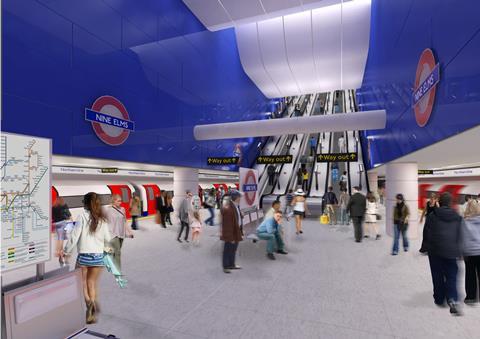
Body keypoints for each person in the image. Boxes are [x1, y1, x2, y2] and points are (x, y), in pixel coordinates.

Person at [63, 192, 112, 324]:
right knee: (92, 283)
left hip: (84, 256)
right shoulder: (103, 219)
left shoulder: (82, 217)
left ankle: (89, 305)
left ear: (85, 203)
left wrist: (67, 251)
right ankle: (94, 301)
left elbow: (74, 236)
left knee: (82, 283)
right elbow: (108, 239)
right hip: (98, 257)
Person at [423, 192, 462, 315]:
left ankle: (439, 299)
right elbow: (461, 235)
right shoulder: (457, 217)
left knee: (437, 275)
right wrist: (460, 251)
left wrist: (428, 248)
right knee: (451, 275)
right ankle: (452, 299)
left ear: (439, 202)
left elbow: (426, 234)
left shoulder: (432, 216)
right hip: (452, 251)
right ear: (451, 203)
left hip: (435, 251)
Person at [104, 194, 133, 271]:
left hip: (121, 233)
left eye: (121, 201)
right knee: (118, 252)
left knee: (114, 251)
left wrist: (129, 231)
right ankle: (117, 269)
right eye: (118, 201)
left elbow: (125, 221)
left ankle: (107, 259)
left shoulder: (122, 209)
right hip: (112, 233)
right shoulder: (108, 209)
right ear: (113, 201)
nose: (120, 202)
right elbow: (101, 220)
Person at [462, 200, 480, 305]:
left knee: (470, 274)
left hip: (469, 252)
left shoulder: (464, 222)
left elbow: (462, 238)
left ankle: (471, 297)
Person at [220, 190, 243, 273]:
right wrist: (230, 237)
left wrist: (241, 215)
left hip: (236, 231)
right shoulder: (229, 209)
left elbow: (236, 217)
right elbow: (227, 225)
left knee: (233, 249)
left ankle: (231, 264)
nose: (240, 198)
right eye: (239, 197)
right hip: (231, 233)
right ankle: (226, 266)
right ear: (236, 198)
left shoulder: (235, 206)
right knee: (227, 249)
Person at [52, 197, 72, 266]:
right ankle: (61, 254)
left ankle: (61, 255)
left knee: (59, 238)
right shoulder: (64, 205)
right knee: (61, 239)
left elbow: (52, 217)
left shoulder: (53, 207)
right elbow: (69, 215)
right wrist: (72, 221)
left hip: (56, 224)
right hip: (62, 223)